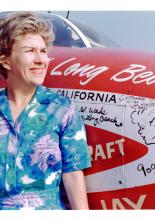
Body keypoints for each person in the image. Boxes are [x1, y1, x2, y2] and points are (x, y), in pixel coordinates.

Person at [0, 11, 91, 210]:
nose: (41, 60)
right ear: (6, 61)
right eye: (30, 50)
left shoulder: (61, 109)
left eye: (43, 51)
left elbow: (73, 176)